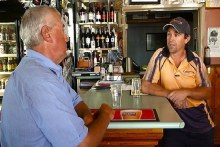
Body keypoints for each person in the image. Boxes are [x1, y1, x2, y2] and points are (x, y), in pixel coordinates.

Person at [1, 6, 115, 147]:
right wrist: (105, 114)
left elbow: (75, 100)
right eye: (62, 29)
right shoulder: (40, 80)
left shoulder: (41, 69)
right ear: (47, 34)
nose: (66, 37)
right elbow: (83, 145)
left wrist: (86, 117)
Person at [141, 17, 215, 147]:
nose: (171, 39)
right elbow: (145, 86)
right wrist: (173, 95)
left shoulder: (195, 60)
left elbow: (207, 91)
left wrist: (186, 92)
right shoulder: (160, 55)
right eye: (169, 34)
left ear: (187, 39)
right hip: (172, 120)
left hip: (199, 122)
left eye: (177, 34)